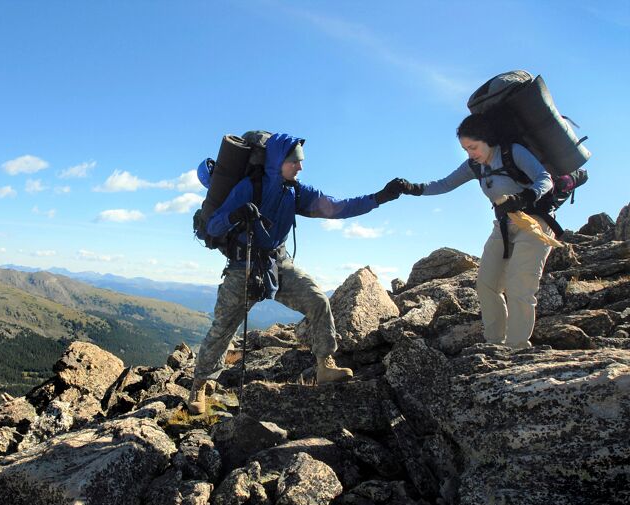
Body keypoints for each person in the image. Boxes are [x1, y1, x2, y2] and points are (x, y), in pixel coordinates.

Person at [188, 132, 404, 414]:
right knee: (223, 327)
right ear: (277, 161)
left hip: (279, 264)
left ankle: (325, 365)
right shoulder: (247, 187)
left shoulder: (296, 192)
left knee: (317, 300)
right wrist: (236, 214)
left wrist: (378, 198)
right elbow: (214, 227)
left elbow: (336, 207)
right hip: (244, 266)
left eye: (300, 162)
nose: (300, 167)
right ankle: (200, 386)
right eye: (294, 162)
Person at [396, 113, 554, 350]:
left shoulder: (513, 152)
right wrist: (410, 188)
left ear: (488, 140)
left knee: (520, 284)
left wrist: (525, 196)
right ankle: (495, 344)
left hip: (534, 224)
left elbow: (545, 178)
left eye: (473, 147)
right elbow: (445, 184)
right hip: (503, 224)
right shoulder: (474, 165)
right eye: (465, 149)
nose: (470, 153)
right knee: (486, 284)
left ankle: (518, 346)